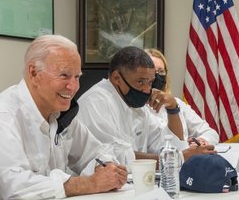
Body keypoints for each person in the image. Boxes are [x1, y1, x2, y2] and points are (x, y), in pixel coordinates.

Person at [0, 35, 128, 200]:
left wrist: (108, 169)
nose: (73, 87)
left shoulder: (59, 113)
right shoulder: (1, 118)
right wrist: (88, 183)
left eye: (77, 77)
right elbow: (13, 187)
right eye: (64, 75)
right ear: (34, 73)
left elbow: (96, 153)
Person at [73, 46, 214, 163]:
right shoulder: (96, 103)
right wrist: (177, 158)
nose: (147, 90)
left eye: (150, 82)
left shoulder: (136, 105)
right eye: (140, 81)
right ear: (117, 78)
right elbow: (115, 158)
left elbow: (168, 145)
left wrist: (172, 109)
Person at [145, 49, 218, 145]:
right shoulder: (136, 107)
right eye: (153, 71)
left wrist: (199, 141)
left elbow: (211, 133)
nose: (157, 76)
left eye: (161, 71)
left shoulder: (177, 103)